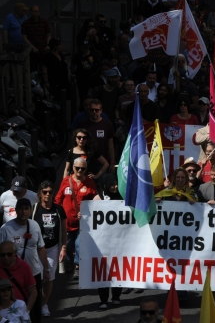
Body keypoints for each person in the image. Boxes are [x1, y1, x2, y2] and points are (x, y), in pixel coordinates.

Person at [0, 198, 49, 323]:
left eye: (26, 208)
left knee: (35, 309)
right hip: (14, 274)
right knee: (15, 305)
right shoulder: (5, 229)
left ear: (30, 210)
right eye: (21, 208)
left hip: (34, 272)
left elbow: (41, 248)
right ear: (15, 210)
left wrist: (46, 269)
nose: (23, 211)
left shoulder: (35, 225)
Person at [54, 157, 97, 280]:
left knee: (79, 245)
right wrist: (57, 214)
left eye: (82, 168)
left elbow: (95, 198)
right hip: (67, 222)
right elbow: (58, 199)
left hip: (82, 223)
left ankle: (77, 267)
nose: (79, 170)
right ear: (73, 168)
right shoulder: (66, 181)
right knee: (68, 244)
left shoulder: (89, 182)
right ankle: (69, 260)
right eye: (77, 168)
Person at [31, 181, 66, 317]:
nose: (47, 195)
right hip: (35, 249)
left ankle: (44, 304)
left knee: (49, 277)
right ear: (40, 193)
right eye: (45, 192)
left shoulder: (58, 210)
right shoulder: (34, 209)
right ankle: (35, 303)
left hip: (53, 248)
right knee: (36, 277)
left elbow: (64, 230)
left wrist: (63, 247)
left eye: (50, 192)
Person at [92, 174, 125, 308]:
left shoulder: (123, 197)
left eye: (116, 184)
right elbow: (91, 215)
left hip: (120, 241)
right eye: (111, 184)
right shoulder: (98, 199)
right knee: (103, 270)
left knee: (119, 268)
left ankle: (116, 296)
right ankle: (103, 300)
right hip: (103, 242)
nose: (114, 187)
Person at [75, 99, 115, 172]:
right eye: (92, 110)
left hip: (103, 161)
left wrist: (112, 162)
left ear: (101, 111)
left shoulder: (107, 124)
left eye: (96, 110)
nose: (94, 112)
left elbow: (110, 145)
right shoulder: (82, 124)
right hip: (85, 161)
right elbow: (76, 142)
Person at [0, 241, 36, 313]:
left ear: (15, 253)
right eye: (2, 255)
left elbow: (33, 292)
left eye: (9, 254)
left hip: (20, 310)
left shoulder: (24, 266)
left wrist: (26, 311)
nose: (6, 257)